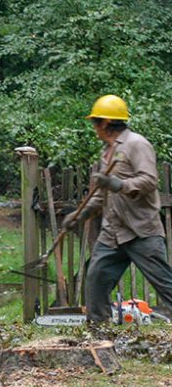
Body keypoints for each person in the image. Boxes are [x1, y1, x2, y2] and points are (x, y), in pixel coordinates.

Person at [62, 94, 172, 322]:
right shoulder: (106, 153)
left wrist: (119, 184)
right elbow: (101, 197)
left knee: (165, 284)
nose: (94, 128)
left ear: (106, 122)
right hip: (113, 232)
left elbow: (150, 181)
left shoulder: (137, 145)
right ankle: (100, 335)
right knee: (95, 280)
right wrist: (79, 216)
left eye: (95, 122)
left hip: (142, 230)